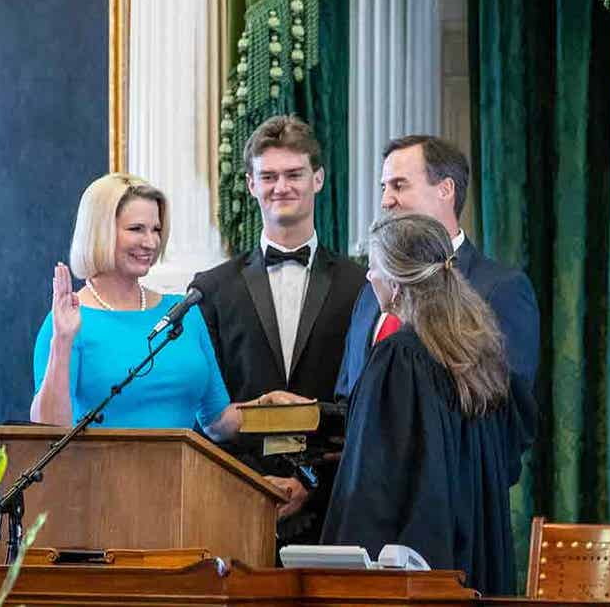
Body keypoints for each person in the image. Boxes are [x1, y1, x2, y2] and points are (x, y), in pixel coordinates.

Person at [321, 213, 515, 595]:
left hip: (414, 579)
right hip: (471, 562)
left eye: (373, 266)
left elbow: (373, 488)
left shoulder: (399, 359)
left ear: (396, 281)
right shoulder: (475, 352)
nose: (368, 277)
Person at [192, 115, 365, 541]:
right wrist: (254, 484)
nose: (281, 187)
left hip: (335, 504)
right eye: (268, 176)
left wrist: (310, 481)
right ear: (251, 185)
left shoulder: (361, 285)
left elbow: (366, 401)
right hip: (235, 500)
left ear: (318, 179)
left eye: (294, 174)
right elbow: (203, 410)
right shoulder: (210, 288)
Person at [335, 135, 539, 483]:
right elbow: (348, 397)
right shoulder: (371, 291)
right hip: (367, 500)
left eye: (399, 185)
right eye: (383, 187)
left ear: (445, 189)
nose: (386, 200)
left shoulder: (500, 289)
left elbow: (512, 416)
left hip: (453, 505)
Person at [30, 174, 241, 441]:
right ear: (100, 232)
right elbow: (46, 431)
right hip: (99, 480)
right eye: (136, 229)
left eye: (156, 229)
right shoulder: (67, 322)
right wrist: (62, 340)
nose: (151, 242)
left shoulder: (183, 311)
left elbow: (217, 420)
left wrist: (273, 410)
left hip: (186, 481)